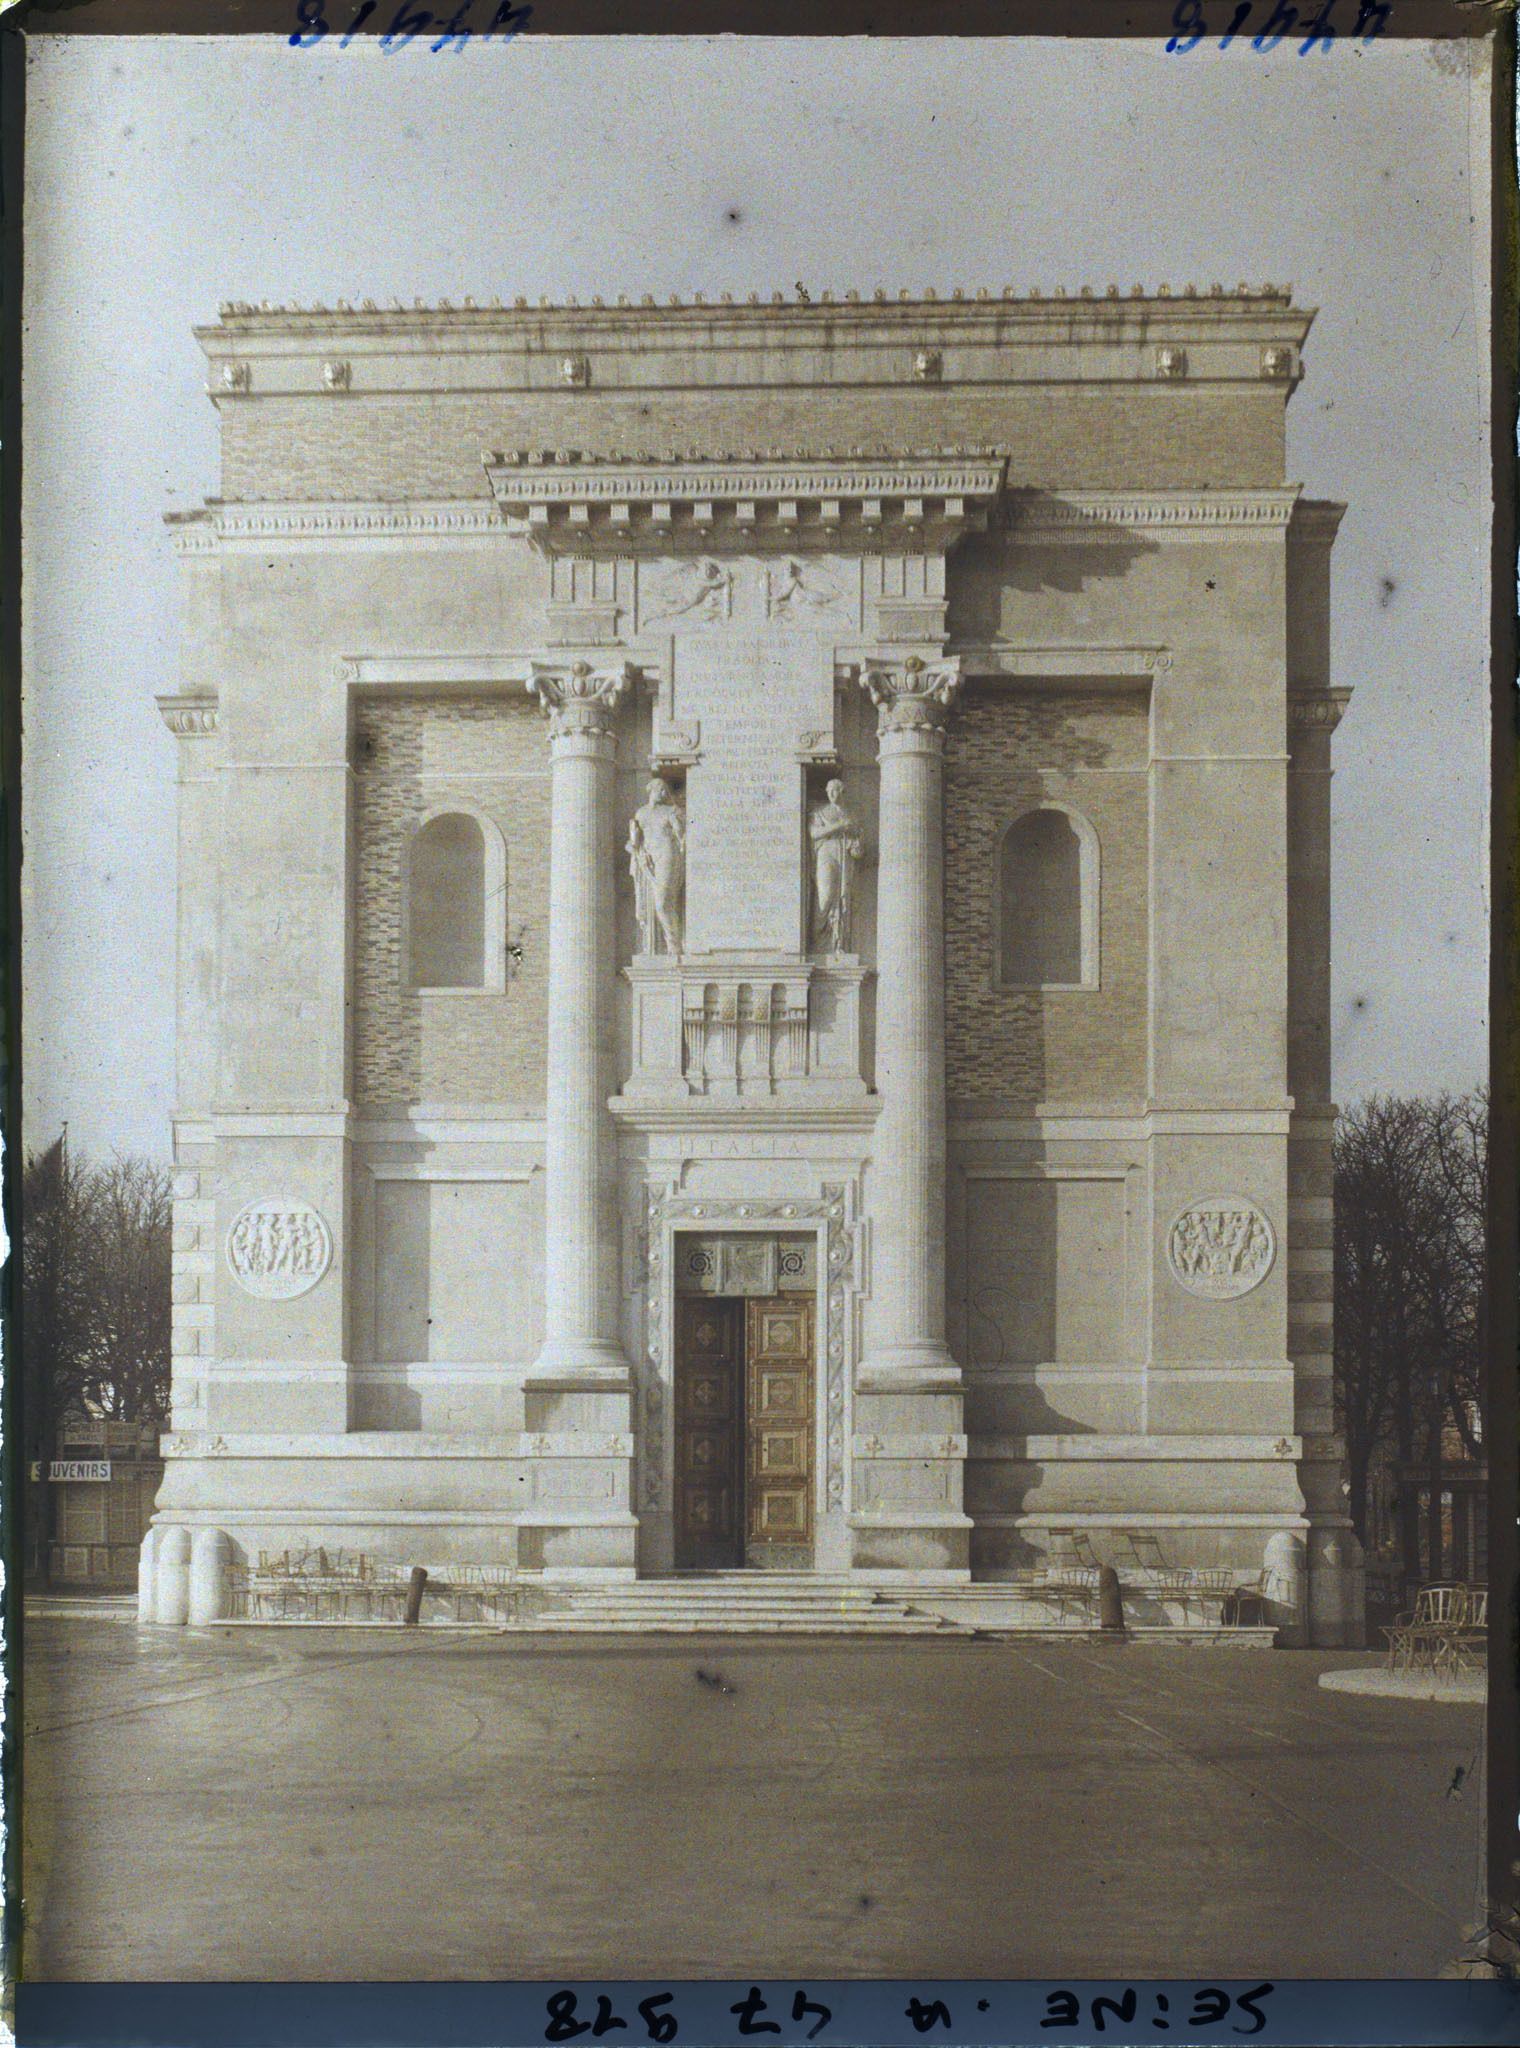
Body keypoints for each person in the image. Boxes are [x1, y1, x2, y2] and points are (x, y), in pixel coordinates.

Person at [627, 779, 685, 954]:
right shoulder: (641, 813)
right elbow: (634, 841)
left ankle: (674, 943)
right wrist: (635, 845)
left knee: (662, 902)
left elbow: (682, 836)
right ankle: (670, 942)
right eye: (660, 789)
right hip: (650, 859)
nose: (663, 793)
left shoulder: (671, 811)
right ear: (652, 790)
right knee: (659, 902)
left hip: (667, 855)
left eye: (665, 790)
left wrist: (679, 828)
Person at [808, 778, 862, 953]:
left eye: (835, 790)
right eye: (829, 790)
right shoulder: (820, 812)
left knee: (843, 898)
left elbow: (857, 843)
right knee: (825, 897)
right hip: (826, 855)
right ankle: (818, 943)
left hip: (844, 858)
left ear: (842, 791)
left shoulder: (850, 815)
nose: (831, 793)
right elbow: (814, 833)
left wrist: (857, 846)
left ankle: (837, 945)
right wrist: (839, 826)